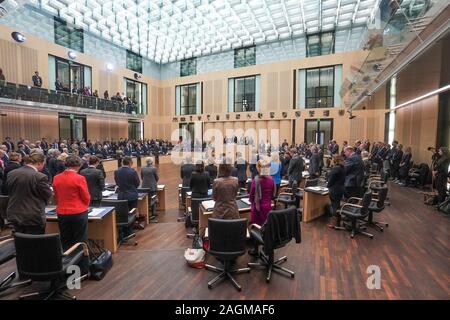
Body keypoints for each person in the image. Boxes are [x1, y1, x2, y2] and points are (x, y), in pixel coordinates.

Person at [53, 155, 90, 274]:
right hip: (78, 212)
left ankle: (68, 268)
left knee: (66, 240)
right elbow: (86, 197)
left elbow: (57, 196)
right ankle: (83, 269)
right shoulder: (79, 178)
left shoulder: (56, 177)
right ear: (78, 165)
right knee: (81, 240)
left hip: (62, 212)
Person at [6, 153, 52, 234]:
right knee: (34, 244)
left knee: (19, 242)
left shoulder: (11, 173)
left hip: (14, 213)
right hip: (33, 216)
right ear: (39, 163)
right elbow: (47, 194)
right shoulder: (39, 176)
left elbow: (9, 190)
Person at [250, 158, 276, 226]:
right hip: (268, 206)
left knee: (257, 227)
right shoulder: (271, 179)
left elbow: (251, 197)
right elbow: (273, 194)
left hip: (258, 209)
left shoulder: (255, 180)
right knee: (266, 226)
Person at [327, 155, 346, 228]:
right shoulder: (343, 168)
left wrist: (328, 186)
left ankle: (334, 224)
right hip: (341, 188)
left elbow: (331, 180)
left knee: (334, 206)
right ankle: (338, 221)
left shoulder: (336, 168)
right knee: (337, 205)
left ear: (335, 161)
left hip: (334, 189)